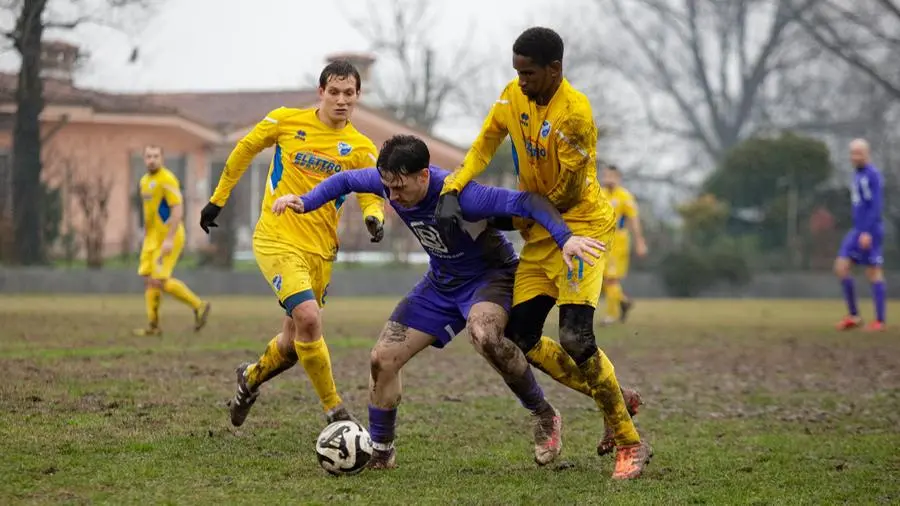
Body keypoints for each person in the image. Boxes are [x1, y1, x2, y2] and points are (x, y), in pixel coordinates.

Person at [272, 134, 605, 469]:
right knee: (382, 358)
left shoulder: (463, 195)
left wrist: (565, 238)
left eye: (399, 187)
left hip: (490, 277)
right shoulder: (390, 181)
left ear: (424, 176)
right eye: (387, 186)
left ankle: (544, 414)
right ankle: (382, 451)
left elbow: (528, 203)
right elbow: (346, 178)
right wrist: (306, 200)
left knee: (485, 335)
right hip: (441, 282)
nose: (393, 196)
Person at [434, 26, 651, 480]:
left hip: (580, 230)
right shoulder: (512, 95)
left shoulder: (575, 116)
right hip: (540, 235)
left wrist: (500, 216)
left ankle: (629, 441)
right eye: (516, 72)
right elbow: (484, 144)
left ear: (555, 70)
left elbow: (564, 194)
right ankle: (612, 396)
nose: (521, 81)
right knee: (522, 337)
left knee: (575, 338)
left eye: (529, 73)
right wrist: (454, 189)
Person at [199, 61, 387, 426]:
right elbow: (244, 149)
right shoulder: (287, 120)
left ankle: (250, 378)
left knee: (293, 342)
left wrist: (374, 217)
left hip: (321, 251)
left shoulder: (361, 147)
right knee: (308, 318)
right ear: (320, 92)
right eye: (334, 92)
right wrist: (218, 198)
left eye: (349, 93)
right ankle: (337, 414)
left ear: (358, 97)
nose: (341, 100)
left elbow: (371, 192)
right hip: (277, 236)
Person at [134, 144, 211, 336]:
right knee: (149, 279)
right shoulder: (144, 181)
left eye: (155, 156)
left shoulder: (167, 179)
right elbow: (150, 212)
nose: (152, 159)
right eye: (148, 156)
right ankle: (153, 325)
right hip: (152, 238)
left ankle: (199, 305)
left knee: (160, 280)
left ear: (162, 158)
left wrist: (168, 239)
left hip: (170, 236)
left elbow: (177, 209)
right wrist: (145, 233)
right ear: (144, 159)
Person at [835, 138, 886, 332]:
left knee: (873, 272)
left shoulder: (872, 175)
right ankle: (854, 316)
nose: (855, 157)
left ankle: (880, 321)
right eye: (852, 153)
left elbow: (875, 206)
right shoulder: (856, 175)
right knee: (841, 267)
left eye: (859, 153)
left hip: (869, 230)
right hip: (857, 230)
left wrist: (867, 231)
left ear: (867, 154)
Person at [599, 164, 647, 324]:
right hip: (600, 241)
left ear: (618, 178)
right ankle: (624, 301)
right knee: (604, 279)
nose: (607, 179)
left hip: (618, 243)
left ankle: (611, 315)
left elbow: (634, 221)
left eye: (611, 176)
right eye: (605, 175)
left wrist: (639, 242)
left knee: (611, 279)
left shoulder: (625, 197)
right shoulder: (599, 193)